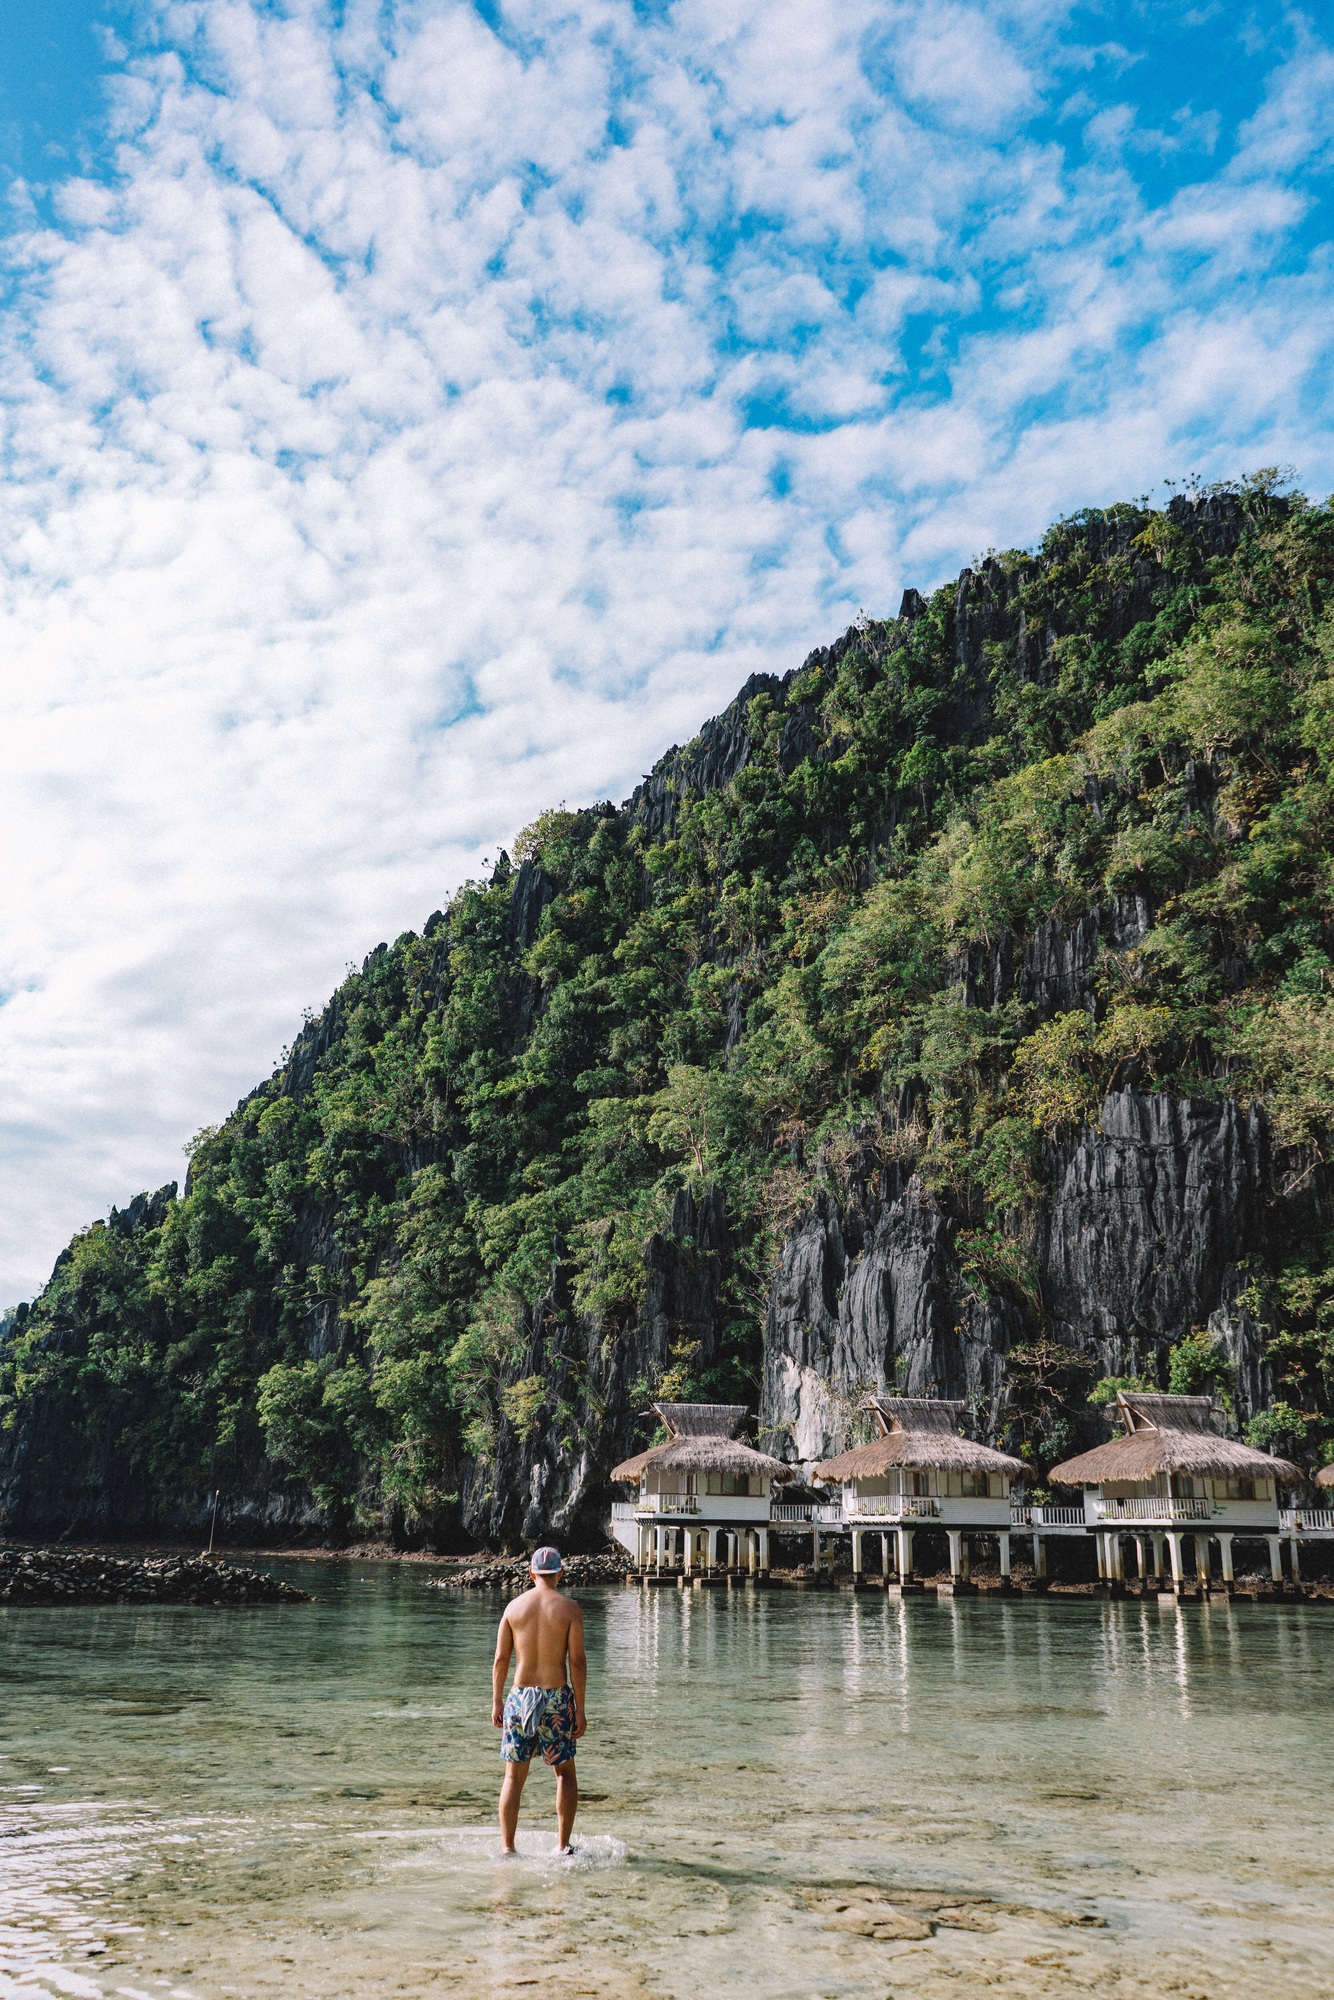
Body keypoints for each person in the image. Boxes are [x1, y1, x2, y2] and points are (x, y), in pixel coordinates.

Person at [492, 1545, 587, 1855]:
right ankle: (562, 1846)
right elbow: (578, 1663)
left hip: (519, 1697)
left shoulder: (513, 1608)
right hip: (556, 1698)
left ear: (531, 1573)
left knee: (513, 1777)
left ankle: (508, 1848)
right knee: (565, 1774)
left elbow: (501, 1659)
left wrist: (497, 1701)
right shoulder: (569, 1609)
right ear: (560, 1573)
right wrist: (581, 1710)